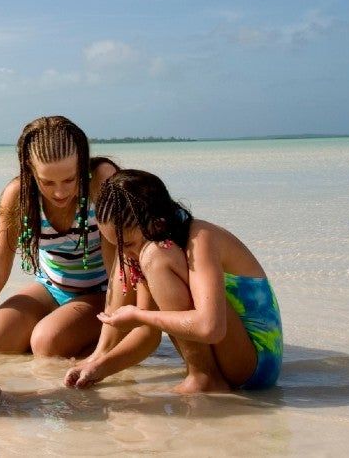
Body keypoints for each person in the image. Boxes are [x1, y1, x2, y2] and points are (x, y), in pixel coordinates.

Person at [75, 168, 283, 393]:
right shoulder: (150, 250)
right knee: (152, 257)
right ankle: (204, 377)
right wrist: (98, 368)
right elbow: (147, 336)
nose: (126, 255)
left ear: (158, 224)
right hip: (233, 358)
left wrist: (138, 315)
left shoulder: (200, 239)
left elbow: (210, 328)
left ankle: (204, 378)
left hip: (256, 362)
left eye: (130, 244)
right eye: (119, 247)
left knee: (155, 255)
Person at [0, 116, 124, 359]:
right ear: (29, 168)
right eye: (47, 182)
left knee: (47, 342)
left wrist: (116, 329)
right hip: (50, 288)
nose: (60, 192)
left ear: (81, 164)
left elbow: (118, 268)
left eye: (70, 179)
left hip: (102, 291)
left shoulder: (100, 180)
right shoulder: (18, 194)